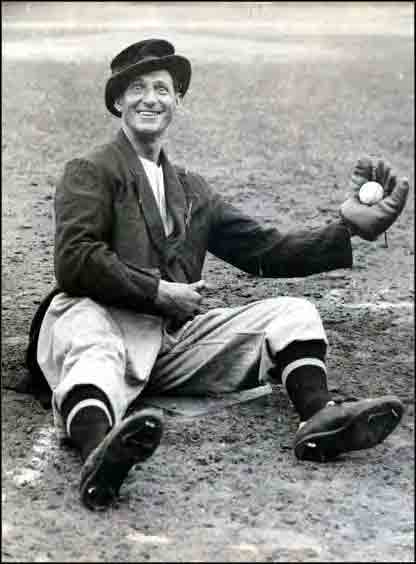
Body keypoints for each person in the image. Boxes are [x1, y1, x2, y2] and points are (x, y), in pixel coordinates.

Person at [27, 38, 410, 511]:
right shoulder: (89, 170)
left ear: (177, 101)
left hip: (166, 341)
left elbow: (263, 248)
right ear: (117, 101)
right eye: (138, 88)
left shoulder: (192, 188)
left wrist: (349, 228)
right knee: (93, 346)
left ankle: (321, 418)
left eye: (163, 89)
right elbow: (75, 260)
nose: (151, 98)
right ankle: (100, 453)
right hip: (97, 316)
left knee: (292, 314)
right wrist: (158, 291)